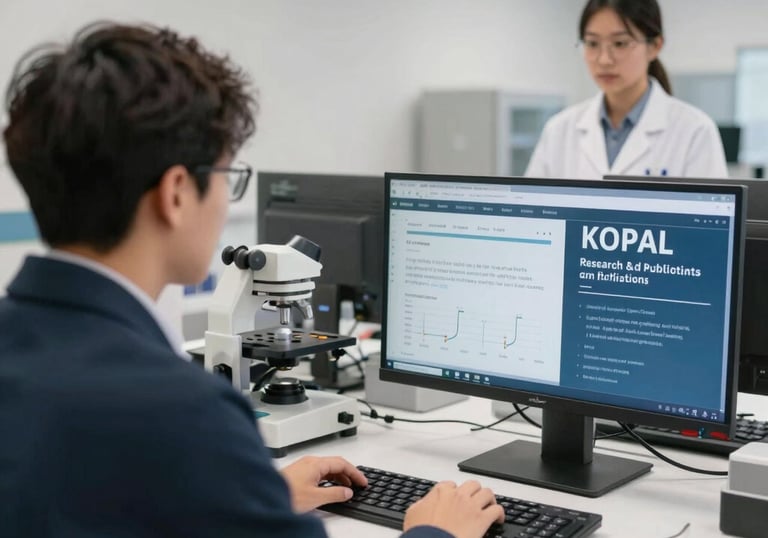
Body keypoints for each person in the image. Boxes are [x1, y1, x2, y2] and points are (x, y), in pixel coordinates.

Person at [0, 22, 504, 538]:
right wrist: (437, 532)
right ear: (176, 193)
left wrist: (248, 496)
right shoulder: (185, 414)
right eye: (227, 177)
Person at [525, 0, 728, 179]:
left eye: (620, 43)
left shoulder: (694, 130)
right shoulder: (560, 130)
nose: (604, 59)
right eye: (592, 43)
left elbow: (711, 218)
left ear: (655, 46)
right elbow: (531, 212)